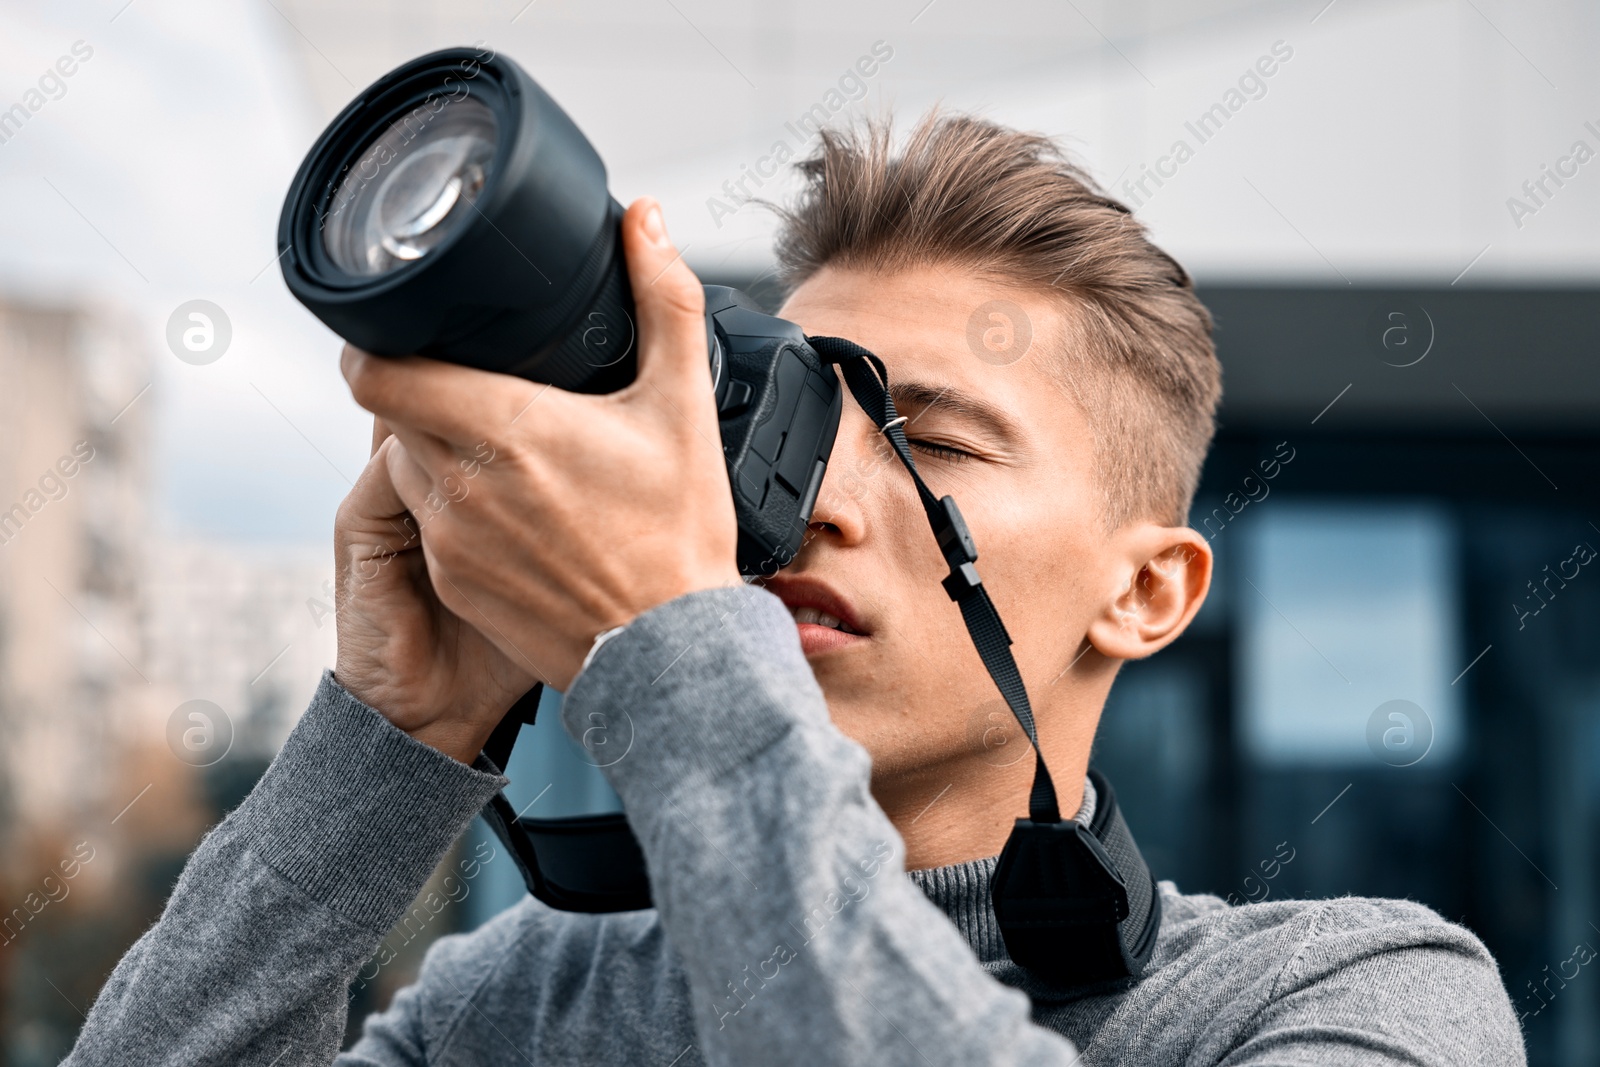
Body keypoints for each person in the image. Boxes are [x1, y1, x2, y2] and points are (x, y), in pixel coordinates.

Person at [65, 113, 1524, 1065]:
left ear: (1146, 593)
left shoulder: (1356, 999)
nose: (806, 503)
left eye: (931, 438)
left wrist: (679, 646)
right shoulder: (528, 1004)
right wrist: (389, 738)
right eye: (785, 431)